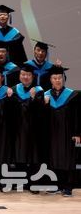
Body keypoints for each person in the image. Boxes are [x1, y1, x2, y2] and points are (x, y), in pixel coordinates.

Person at [42, 65, 79, 197]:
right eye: (55, 78)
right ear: (50, 80)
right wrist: (45, 105)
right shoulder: (45, 96)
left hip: (67, 132)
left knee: (68, 159)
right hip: (52, 133)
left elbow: (77, 116)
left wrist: (77, 133)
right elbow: (41, 118)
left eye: (59, 78)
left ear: (63, 79)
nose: (57, 80)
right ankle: (56, 185)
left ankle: (68, 187)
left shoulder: (72, 95)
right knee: (54, 158)